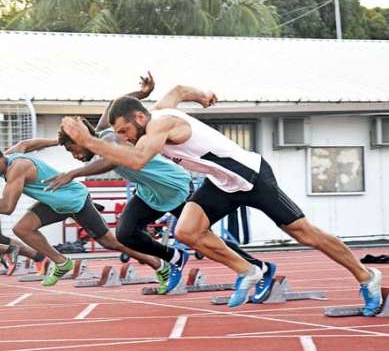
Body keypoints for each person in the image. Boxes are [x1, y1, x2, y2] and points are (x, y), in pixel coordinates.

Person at [60, 85, 383, 314]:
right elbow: (176, 89)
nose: (122, 137)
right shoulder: (156, 112)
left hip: (251, 176)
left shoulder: (161, 124)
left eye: (123, 131)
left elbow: (137, 160)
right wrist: (200, 95)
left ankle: (367, 277)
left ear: (139, 119)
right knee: (187, 231)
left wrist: (89, 140)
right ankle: (248, 270)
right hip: (221, 183)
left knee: (303, 233)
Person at [0, 142, 164, 288]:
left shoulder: (17, 169)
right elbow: (29, 143)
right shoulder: (11, 153)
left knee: (110, 242)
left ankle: (157, 264)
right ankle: (62, 263)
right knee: (21, 229)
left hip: (74, 201)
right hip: (53, 203)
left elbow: (7, 207)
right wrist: (57, 140)